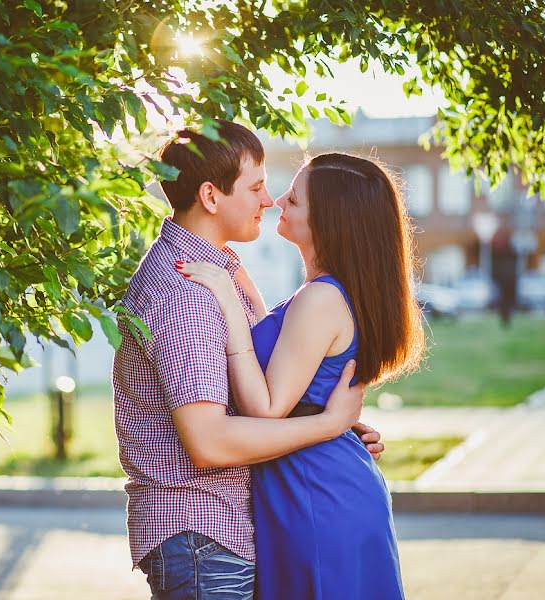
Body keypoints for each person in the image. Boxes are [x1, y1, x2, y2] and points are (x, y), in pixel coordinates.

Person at [111, 120, 386, 600]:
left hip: (219, 531)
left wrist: (320, 419)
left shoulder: (215, 274)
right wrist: (326, 426)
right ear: (212, 197)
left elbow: (249, 390)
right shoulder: (186, 296)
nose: (269, 199)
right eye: (257, 186)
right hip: (202, 531)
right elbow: (210, 443)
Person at [178, 152, 426, 599]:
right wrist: (233, 272)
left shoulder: (321, 298)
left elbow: (267, 407)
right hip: (313, 480)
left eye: (292, 198)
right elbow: (280, 356)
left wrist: (228, 302)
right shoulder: (323, 292)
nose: (276, 202)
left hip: (317, 494)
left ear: (328, 220)